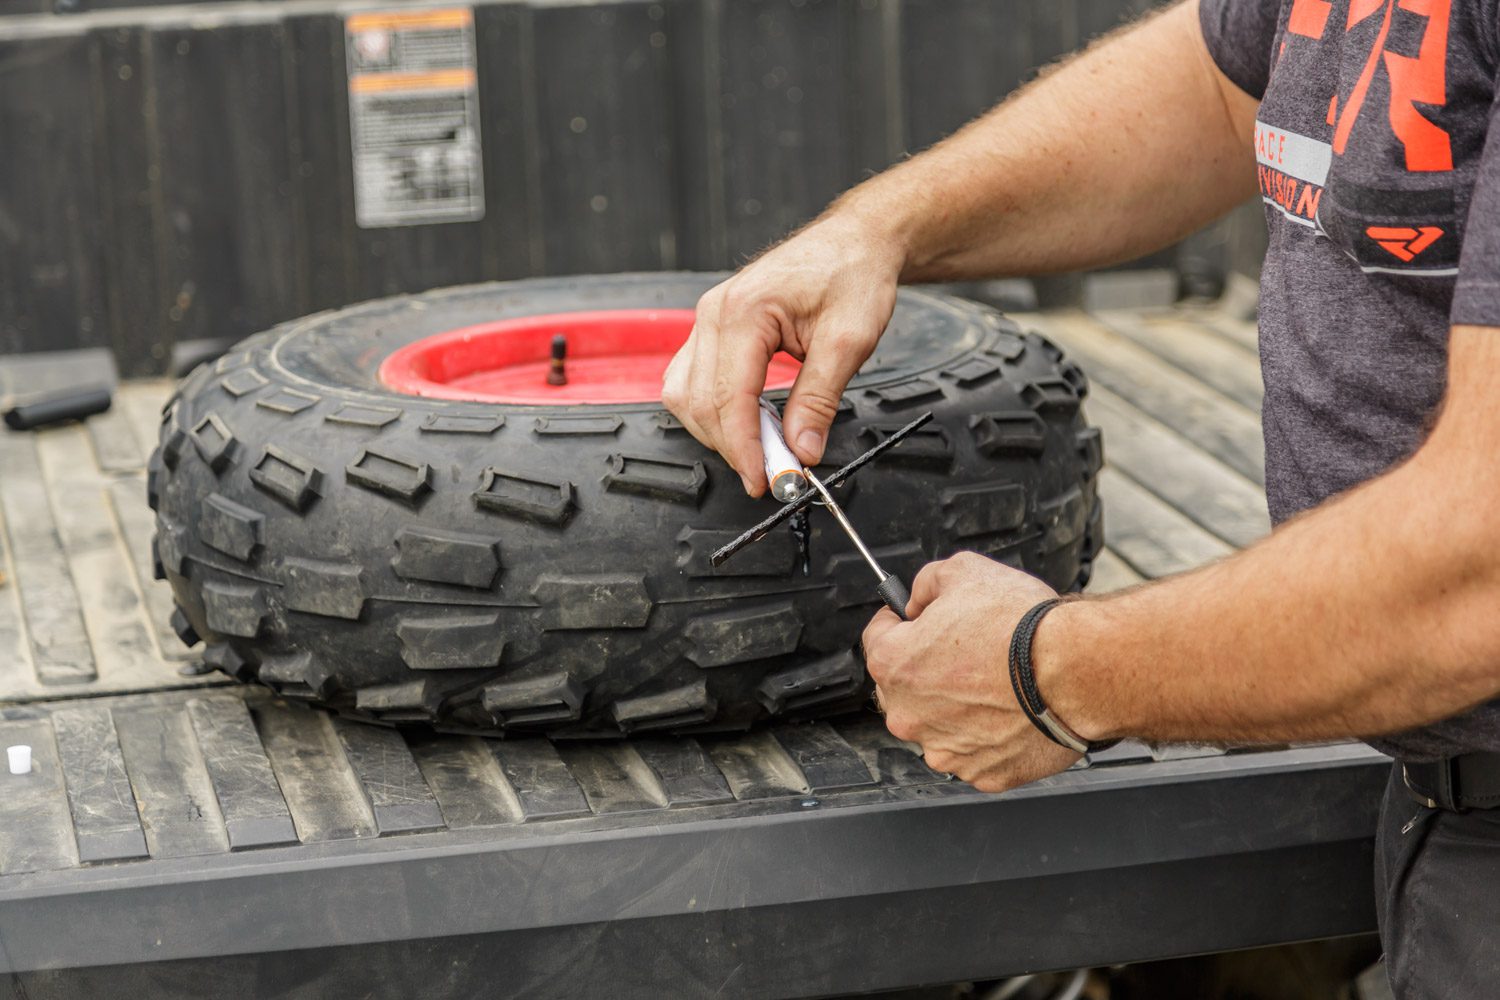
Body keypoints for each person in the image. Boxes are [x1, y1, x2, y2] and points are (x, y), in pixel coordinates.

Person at [660, 1, 1500, 995]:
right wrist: (876, 228)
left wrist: (1047, 671)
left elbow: (1480, 573)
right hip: (1437, 792)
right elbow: (1227, 89)